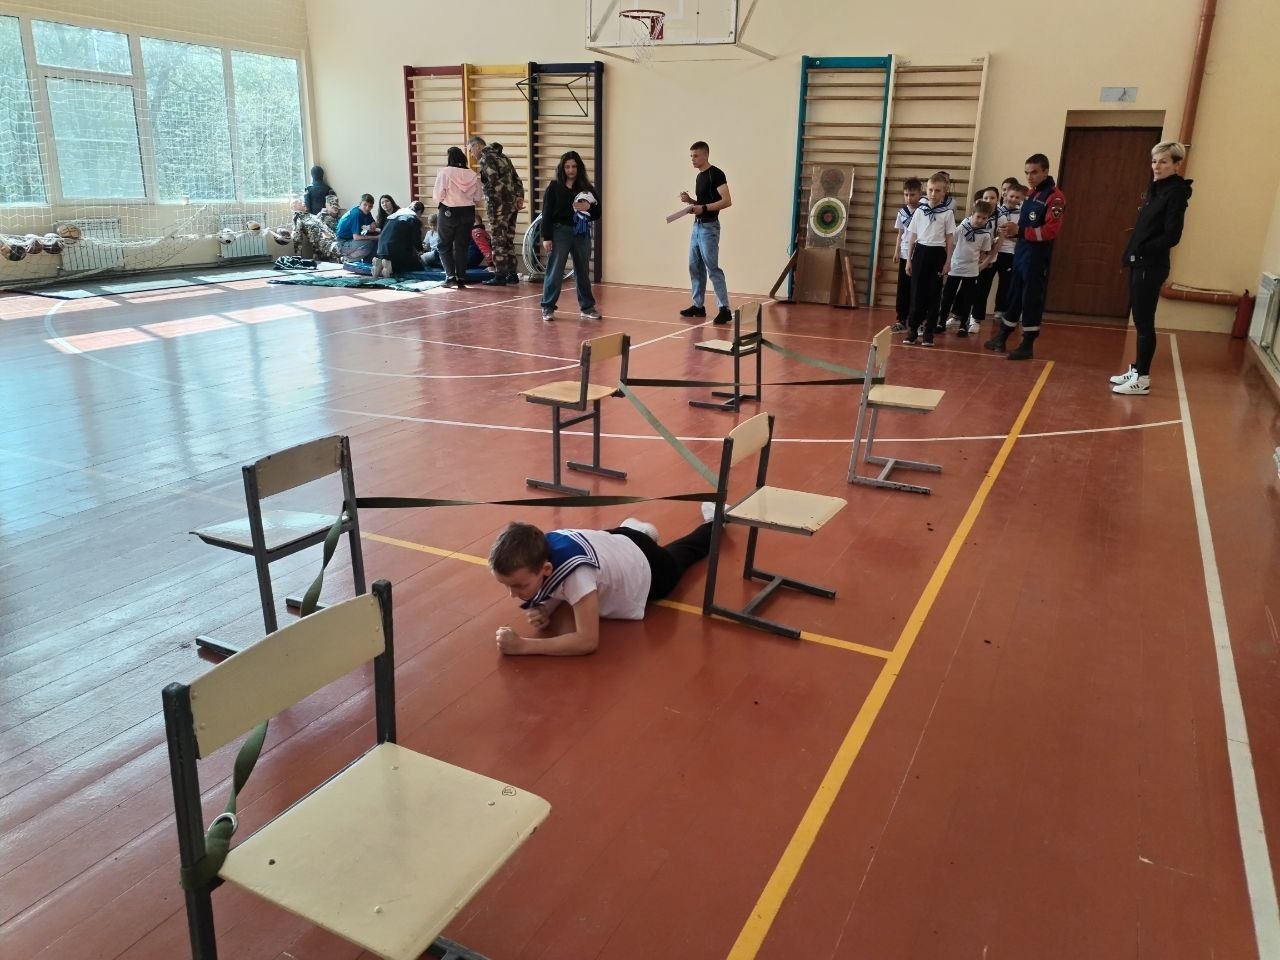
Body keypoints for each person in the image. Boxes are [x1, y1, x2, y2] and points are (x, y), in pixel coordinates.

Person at [488, 506, 715, 656]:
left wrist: (524, 646)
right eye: (506, 585)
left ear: (545, 569)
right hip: (619, 539)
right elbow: (556, 582)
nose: (512, 594)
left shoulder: (578, 575)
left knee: (685, 552)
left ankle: (715, 521)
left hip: (649, 568)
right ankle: (639, 531)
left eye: (519, 585)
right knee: (611, 553)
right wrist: (547, 606)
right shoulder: (541, 546)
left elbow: (587, 641)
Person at [1112, 141, 1192, 396]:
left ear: (1176, 165)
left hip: (1151, 264)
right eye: (1154, 161)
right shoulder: (1156, 188)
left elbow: (1172, 235)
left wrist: (1144, 249)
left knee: (1144, 321)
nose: (1156, 166)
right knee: (1139, 318)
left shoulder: (1176, 193)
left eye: (1163, 162)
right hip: (1138, 261)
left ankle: (1143, 378)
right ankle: (1137, 369)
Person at [984, 153, 1066, 360]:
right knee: (1014, 294)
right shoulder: (1030, 193)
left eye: (1034, 172)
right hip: (1021, 252)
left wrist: (1020, 231)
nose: (1029, 177)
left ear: (1045, 172)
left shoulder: (1055, 197)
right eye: (1027, 173)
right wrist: (1013, 230)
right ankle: (1002, 337)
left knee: (1030, 298)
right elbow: (1025, 224)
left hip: (1037, 256)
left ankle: (1027, 343)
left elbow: (1051, 231)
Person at [540, 150, 601, 321]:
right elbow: (546, 213)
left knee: (582, 271)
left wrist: (589, 208)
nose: (571, 170)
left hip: (581, 232)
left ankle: (587, 307)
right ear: (562, 168)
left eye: (574, 166)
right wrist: (547, 237)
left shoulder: (587, 189)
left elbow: (597, 213)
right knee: (555, 270)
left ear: (579, 168)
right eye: (567, 167)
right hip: (560, 231)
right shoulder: (554, 187)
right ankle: (547, 307)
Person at [679, 141, 733, 325]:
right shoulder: (699, 177)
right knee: (694, 266)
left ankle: (724, 309)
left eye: (696, 156)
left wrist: (702, 208)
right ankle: (698, 306)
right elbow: (702, 203)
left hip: (709, 228)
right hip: (697, 226)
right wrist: (691, 202)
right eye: (691, 156)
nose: (692, 159)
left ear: (705, 155)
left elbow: (726, 201)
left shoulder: (716, 174)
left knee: (712, 268)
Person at [904, 173, 956, 346]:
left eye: (938, 191)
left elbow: (949, 238)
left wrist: (948, 261)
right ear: (926, 190)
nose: (933, 194)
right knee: (916, 293)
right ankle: (913, 329)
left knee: (934, 294)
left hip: (937, 254)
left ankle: (929, 332)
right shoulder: (920, 211)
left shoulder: (947, 213)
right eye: (931, 190)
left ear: (944, 192)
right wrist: (909, 259)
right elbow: (912, 236)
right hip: (920, 252)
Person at [468, 136, 526, 285]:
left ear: (477, 146)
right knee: (508, 240)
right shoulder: (503, 157)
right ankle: (512, 274)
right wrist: (519, 197)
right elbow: (517, 179)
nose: (471, 155)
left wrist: (494, 202)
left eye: (471, 150)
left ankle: (500, 275)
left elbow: (493, 183)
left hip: (498, 205)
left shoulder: (486, 159)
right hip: (512, 204)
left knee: (498, 239)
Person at [938, 200, 996, 339]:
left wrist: (980, 263)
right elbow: (952, 244)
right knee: (948, 296)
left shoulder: (985, 234)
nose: (980, 220)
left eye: (984, 218)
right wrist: (948, 262)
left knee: (967, 298)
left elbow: (983, 252)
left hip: (971, 270)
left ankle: (963, 324)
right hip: (955, 267)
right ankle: (941, 322)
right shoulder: (961, 228)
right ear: (972, 214)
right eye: (978, 217)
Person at [432, 145, 484, 288]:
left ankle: (450, 277)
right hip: (468, 212)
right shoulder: (472, 174)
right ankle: (461, 277)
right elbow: (478, 197)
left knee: (444, 245)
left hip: (448, 211)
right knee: (462, 245)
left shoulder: (445, 172)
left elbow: (437, 196)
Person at [962, 186, 1003, 334]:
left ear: (997, 199)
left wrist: (987, 260)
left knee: (982, 290)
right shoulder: (975, 215)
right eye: (986, 198)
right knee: (967, 288)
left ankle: (976, 319)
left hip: (988, 260)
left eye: (992, 198)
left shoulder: (1001, 218)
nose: (989, 200)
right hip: (972, 259)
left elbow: (999, 241)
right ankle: (959, 316)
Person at [989, 181, 1025, 327]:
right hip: (993, 252)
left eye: (1017, 197)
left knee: (1005, 283)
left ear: (1021, 199)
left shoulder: (1021, 215)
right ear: (1005, 195)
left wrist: (1010, 235)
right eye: (1011, 196)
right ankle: (974, 313)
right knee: (985, 282)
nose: (1013, 199)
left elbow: (1020, 234)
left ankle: (1000, 309)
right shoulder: (995, 212)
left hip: (1009, 252)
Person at [892, 177, 923, 333]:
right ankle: (901, 319)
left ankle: (917, 320)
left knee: (917, 289)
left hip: (919, 253)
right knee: (903, 288)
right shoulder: (902, 212)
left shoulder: (924, 211)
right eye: (906, 195)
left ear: (920, 194)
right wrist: (896, 251)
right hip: (905, 254)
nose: (909, 198)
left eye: (912, 194)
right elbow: (900, 233)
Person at [372, 201, 426, 278]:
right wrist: (421, 250)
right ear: (419, 212)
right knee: (418, 266)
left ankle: (381, 264)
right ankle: (390, 266)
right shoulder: (413, 219)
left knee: (393, 256)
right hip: (394, 253)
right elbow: (416, 240)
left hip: (381, 251)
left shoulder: (393, 217)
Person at [336, 193, 377, 262]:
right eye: (365, 205)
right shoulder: (357, 214)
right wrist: (376, 237)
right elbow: (356, 237)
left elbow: (372, 224)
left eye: (370, 206)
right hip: (342, 243)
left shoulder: (366, 212)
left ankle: (364, 259)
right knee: (369, 243)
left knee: (372, 236)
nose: (367, 208)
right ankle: (346, 259)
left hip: (350, 240)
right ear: (360, 204)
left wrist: (373, 224)